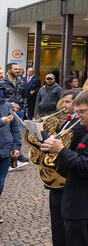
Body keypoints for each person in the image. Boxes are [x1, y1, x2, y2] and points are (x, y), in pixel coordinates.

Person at [40, 89, 88, 246]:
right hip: (78, 204)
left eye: (81, 112)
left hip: (85, 205)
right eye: (76, 112)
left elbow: (85, 166)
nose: (77, 116)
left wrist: (61, 150)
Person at [45, 88, 88, 246]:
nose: (64, 104)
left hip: (65, 177)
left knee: (62, 224)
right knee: (57, 224)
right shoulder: (70, 120)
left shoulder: (79, 124)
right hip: (59, 178)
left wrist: (44, 137)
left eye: (67, 101)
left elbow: (64, 144)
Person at [0, 88, 22, 223]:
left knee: (1, 183)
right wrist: (1, 122)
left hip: (5, 151)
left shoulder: (7, 106)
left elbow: (15, 129)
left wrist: (16, 147)